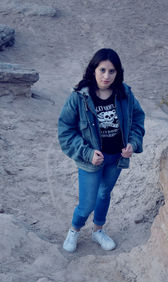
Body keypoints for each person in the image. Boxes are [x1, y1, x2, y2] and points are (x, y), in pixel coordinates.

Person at [58, 48, 145, 252]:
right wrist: (88, 153)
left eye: (112, 71)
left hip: (116, 157)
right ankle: (74, 230)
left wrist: (133, 142)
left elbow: (138, 119)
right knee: (87, 202)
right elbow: (65, 131)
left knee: (104, 193)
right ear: (93, 70)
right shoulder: (80, 97)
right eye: (102, 70)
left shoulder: (124, 93)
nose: (107, 76)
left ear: (118, 73)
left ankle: (98, 231)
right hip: (90, 160)